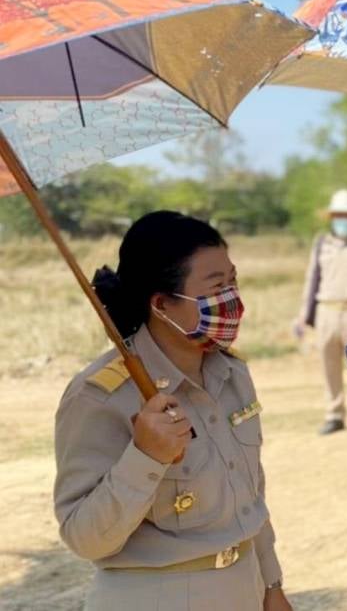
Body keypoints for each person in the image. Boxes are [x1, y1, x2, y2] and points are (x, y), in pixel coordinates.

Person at [54, 211, 290, 611]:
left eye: (233, 281)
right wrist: (145, 457)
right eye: (217, 286)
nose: (232, 299)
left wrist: (271, 583)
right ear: (162, 303)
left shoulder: (231, 373)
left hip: (244, 587)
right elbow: (84, 537)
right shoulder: (100, 396)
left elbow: (250, 493)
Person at [293, 188, 347, 436]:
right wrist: (303, 315)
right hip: (326, 312)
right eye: (339, 215)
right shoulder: (321, 244)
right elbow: (312, 279)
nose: (344, 220)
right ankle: (334, 414)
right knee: (328, 366)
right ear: (331, 217)